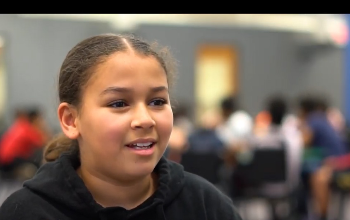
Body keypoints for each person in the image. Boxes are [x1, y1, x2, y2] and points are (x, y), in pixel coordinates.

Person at [0, 33, 242, 220]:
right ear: (71, 120)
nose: (145, 119)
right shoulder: (27, 212)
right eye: (119, 103)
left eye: (157, 101)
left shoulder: (206, 205)